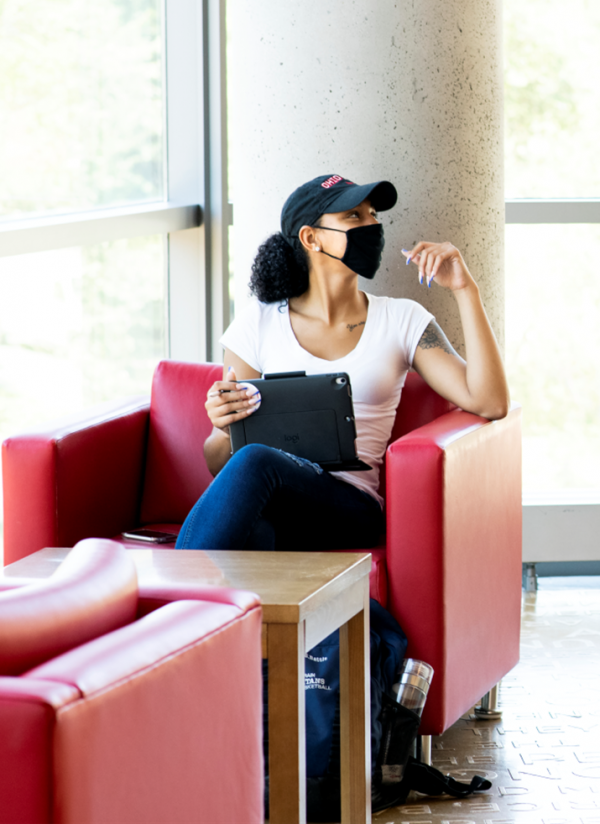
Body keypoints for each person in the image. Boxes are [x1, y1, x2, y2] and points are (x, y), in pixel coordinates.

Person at [176, 174, 509, 551]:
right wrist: (223, 429)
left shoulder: (402, 319)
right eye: (354, 216)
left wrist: (465, 290)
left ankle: (182, 596)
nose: (372, 225)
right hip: (276, 505)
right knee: (256, 533)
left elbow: (490, 401)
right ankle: (360, 612)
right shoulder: (259, 321)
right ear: (311, 238)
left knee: (255, 462)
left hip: (350, 507)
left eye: (373, 215)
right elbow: (220, 464)